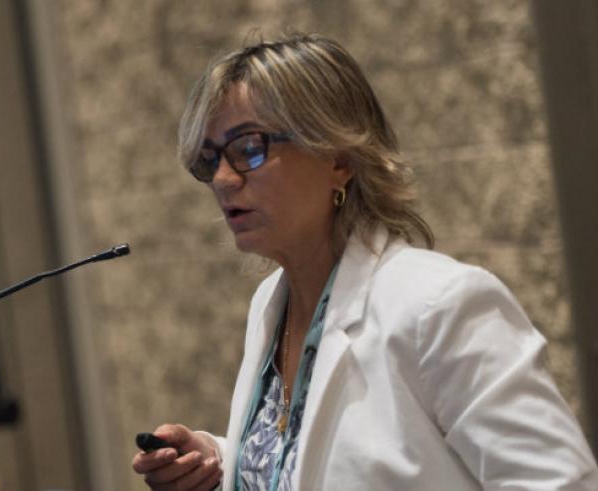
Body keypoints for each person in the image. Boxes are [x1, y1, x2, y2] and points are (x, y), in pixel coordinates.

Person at [131, 33, 598, 490]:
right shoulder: (270, 304)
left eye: (248, 148)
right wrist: (221, 463)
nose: (222, 179)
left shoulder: (440, 305)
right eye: (209, 159)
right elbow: (316, 458)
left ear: (338, 158)